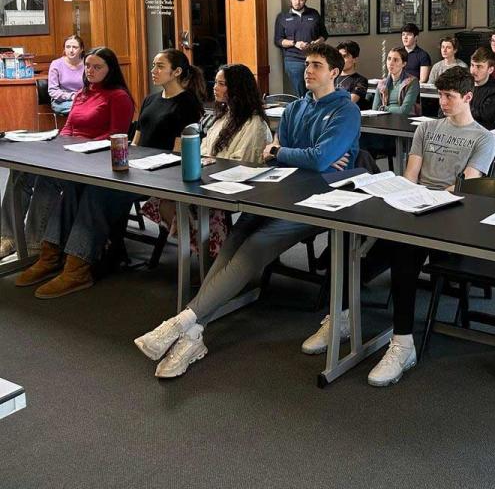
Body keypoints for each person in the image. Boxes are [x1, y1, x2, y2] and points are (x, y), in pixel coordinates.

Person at [135, 44, 361, 379]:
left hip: (317, 202)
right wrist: (294, 153)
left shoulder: (345, 112)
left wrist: (289, 152)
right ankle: (194, 331)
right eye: (307, 64)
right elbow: (280, 153)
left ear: (334, 73)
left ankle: (181, 322)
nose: (308, 70)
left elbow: (315, 158)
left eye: (316, 65)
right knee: (235, 238)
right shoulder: (297, 108)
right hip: (279, 190)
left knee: (256, 246)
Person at [20, 49, 204, 299]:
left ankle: (78, 266)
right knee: (75, 186)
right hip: (135, 168)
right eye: (153, 65)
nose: (153, 70)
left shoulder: (187, 103)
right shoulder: (151, 100)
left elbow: (179, 153)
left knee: (97, 193)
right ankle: (50, 255)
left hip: (159, 174)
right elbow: (135, 141)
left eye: (160, 66)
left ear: (177, 72)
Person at [365, 67, 495, 387]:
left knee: (402, 251)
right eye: (439, 95)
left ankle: (403, 342)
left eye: (450, 97)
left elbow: (464, 186)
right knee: (364, 248)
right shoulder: (426, 128)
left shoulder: (484, 138)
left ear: (468, 97)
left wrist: (422, 202)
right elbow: (411, 175)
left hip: (453, 215)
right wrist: (400, 196)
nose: (443, 102)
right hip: (417, 208)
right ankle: (341, 315)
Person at [3, 47, 134, 265]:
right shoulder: (83, 93)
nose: (90, 71)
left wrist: (79, 146)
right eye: (88, 66)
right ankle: (8, 236)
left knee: (47, 180)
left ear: (110, 70)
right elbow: (68, 127)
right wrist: (58, 147)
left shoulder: (118, 97)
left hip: (93, 159)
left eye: (97, 67)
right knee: (20, 173)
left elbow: (115, 135)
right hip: (69, 154)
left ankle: (35, 244)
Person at [141, 64, 272, 257]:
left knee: (205, 206)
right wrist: (204, 162)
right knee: (162, 198)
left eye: (221, 84)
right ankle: (200, 247)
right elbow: (204, 150)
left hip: (233, 184)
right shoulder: (224, 116)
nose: (215, 87)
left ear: (236, 89)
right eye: (216, 82)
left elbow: (243, 163)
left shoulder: (254, 124)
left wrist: (208, 163)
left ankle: (208, 254)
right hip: (210, 176)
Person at [273, 0, 327, 97]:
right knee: (302, 93)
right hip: (294, 60)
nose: (298, 2)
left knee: (316, 91)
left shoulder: (314, 14)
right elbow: (278, 40)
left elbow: (324, 35)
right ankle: (303, 113)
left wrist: (317, 42)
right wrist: (295, 43)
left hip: (314, 58)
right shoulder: (282, 17)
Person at [373, 46, 419, 115]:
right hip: (385, 120)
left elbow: (404, 111)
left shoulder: (412, 81)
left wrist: (384, 109)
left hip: (405, 121)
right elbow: (375, 109)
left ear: (404, 64)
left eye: (395, 60)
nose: (391, 63)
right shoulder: (382, 83)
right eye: (389, 59)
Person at [47, 34, 85, 114]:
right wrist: (72, 96)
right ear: (64, 48)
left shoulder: (87, 64)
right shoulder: (56, 64)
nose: (71, 50)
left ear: (81, 49)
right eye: (68, 47)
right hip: (62, 101)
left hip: (84, 99)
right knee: (83, 108)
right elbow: (53, 90)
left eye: (75, 47)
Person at [469, 47, 495, 130]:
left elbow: (484, 115)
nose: (473, 71)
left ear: (490, 70)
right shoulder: (463, 85)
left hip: (485, 133)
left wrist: (460, 107)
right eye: (472, 65)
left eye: (479, 67)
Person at [335, 40, 369, 105]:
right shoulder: (332, 77)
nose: (340, 60)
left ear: (355, 59)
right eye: (339, 56)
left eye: (344, 56)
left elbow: (349, 102)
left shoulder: (361, 80)